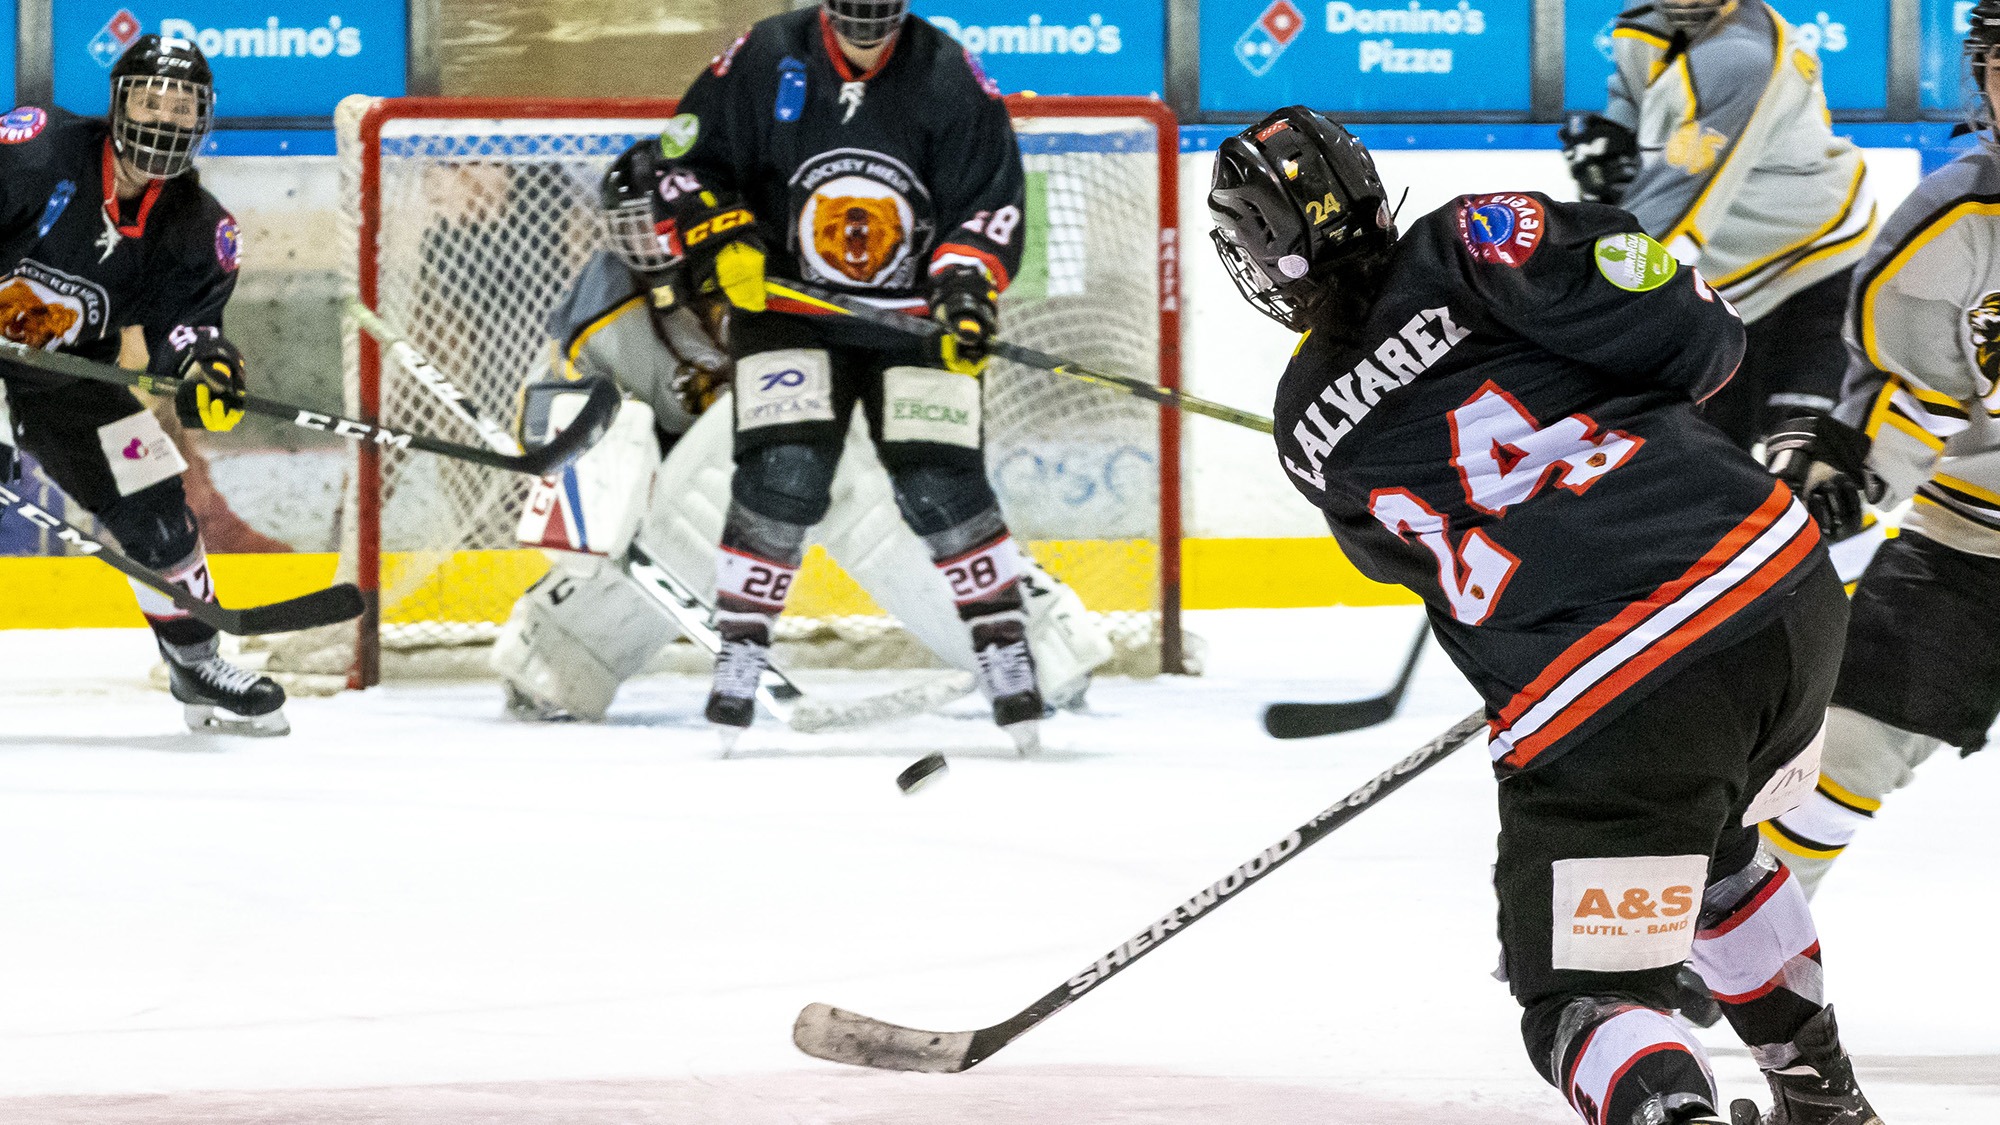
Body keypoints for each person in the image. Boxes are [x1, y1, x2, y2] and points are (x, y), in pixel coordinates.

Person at [1212, 105, 1881, 1125]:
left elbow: (1423, 566)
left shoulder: (1305, 431)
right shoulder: (1478, 237)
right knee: (1716, 854)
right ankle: (1823, 1103)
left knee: (1580, 1000)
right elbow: (1700, 337)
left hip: (1611, 684)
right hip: (1775, 583)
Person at [492, 142, 1112, 723]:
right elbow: (550, 424)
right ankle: (560, 651)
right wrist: (588, 482)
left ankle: (1030, 636)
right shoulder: (602, 314)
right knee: (689, 493)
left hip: (830, 455)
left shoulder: (801, 275)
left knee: (862, 478)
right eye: (639, 232)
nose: (657, 251)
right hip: (679, 493)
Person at [647, 0, 1045, 750]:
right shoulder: (764, 55)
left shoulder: (948, 72)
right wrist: (721, 238)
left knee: (941, 480)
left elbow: (987, 199)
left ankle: (1003, 644)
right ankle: (740, 647)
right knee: (783, 470)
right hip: (790, 308)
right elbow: (686, 160)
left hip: (913, 315)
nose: (867, 43)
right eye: (853, 26)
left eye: (881, 27)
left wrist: (965, 295)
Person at [1757, 0, 2000, 898]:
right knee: (1843, 743)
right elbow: (1908, 402)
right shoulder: (1955, 225)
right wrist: (1846, 479)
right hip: (1974, 545)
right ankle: (1742, 949)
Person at [0, 35, 287, 735]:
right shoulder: (36, 153)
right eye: (149, 100)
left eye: (181, 106)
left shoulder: (197, 226)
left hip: (68, 371)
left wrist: (206, 369)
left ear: (203, 119)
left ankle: (195, 660)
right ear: (116, 103)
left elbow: (187, 330)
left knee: (155, 498)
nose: (163, 119)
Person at [1561, 0, 1877, 452]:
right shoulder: (1642, 22)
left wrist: (1586, 310)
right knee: (1711, 453)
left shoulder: (1741, 57)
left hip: (1809, 260)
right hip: (1727, 263)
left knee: (1802, 462)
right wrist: (1617, 136)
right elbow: (1633, 94)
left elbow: (1674, 219)